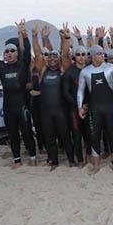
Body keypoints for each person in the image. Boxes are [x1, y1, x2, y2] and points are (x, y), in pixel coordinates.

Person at [0, 20, 37, 169]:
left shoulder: (22, 66)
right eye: (7, 51)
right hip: (9, 107)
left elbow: (28, 54)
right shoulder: (1, 66)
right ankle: (17, 160)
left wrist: (25, 35)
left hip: (22, 105)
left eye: (12, 51)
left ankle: (33, 157)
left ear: (17, 53)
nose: (9, 53)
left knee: (27, 132)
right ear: (4, 54)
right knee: (12, 134)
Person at [32, 24, 75, 170]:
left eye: (54, 56)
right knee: (49, 137)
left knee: (65, 136)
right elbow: (38, 54)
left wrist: (65, 38)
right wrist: (34, 37)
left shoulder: (63, 70)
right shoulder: (43, 71)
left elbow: (65, 54)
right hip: (46, 112)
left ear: (58, 60)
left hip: (60, 111)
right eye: (49, 56)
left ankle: (71, 160)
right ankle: (54, 162)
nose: (51, 59)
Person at [77, 45, 113, 174]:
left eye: (103, 53)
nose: (102, 55)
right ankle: (96, 165)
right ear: (92, 56)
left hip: (110, 107)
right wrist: (79, 107)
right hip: (95, 109)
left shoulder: (111, 68)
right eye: (99, 54)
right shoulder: (85, 72)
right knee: (95, 136)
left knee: (111, 135)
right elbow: (80, 91)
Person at [61, 44, 91, 167]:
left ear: (87, 56)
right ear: (74, 57)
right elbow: (65, 93)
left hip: (88, 107)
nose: (81, 57)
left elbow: (95, 91)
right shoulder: (69, 72)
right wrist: (79, 106)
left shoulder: (91, 70)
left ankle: (88, 156)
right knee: (76, 134)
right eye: (78, 55)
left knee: (90, 133)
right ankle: (79, 159)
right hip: (74, 108)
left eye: (83, 54)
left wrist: (87, 105)